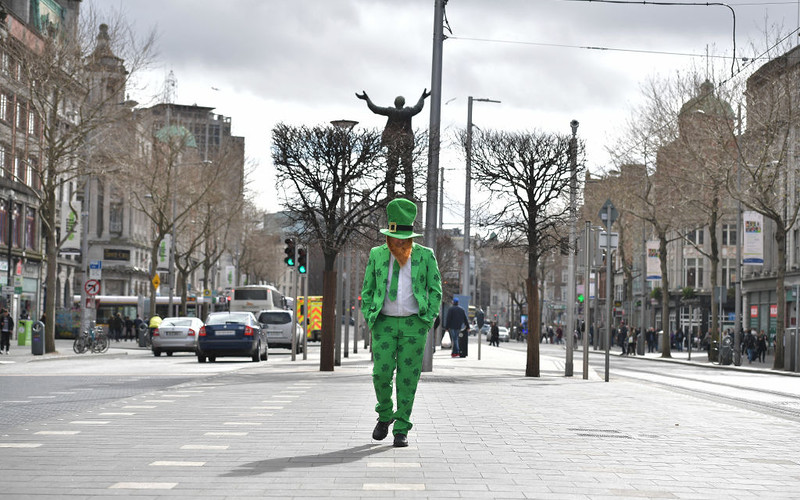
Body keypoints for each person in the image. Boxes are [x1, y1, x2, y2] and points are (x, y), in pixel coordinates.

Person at [360, 197, 442, 448]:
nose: (399, 242)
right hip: (383, 323)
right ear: (388, 235)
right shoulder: (376, 254)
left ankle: (401, 427)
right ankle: (384, 415)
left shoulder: (425, 256)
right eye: (395, 237)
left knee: (408, 377)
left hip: (413, 325)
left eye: (404, 238)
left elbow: (435, 289)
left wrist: (426, 320)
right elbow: (368, 288)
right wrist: (369, 316)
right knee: (380, 373)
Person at [356, 89, 431, 198]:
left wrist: (367, 99)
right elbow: (418, 107)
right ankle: (409, 194)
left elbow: (375, 109)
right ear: (403, 103)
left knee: (391, 169)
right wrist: (422, 97)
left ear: (395, 103)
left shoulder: (391, 111)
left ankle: (390, 194)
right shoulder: (408, 112)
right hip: (405, 143)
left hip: (393, 144)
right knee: (408, 170)